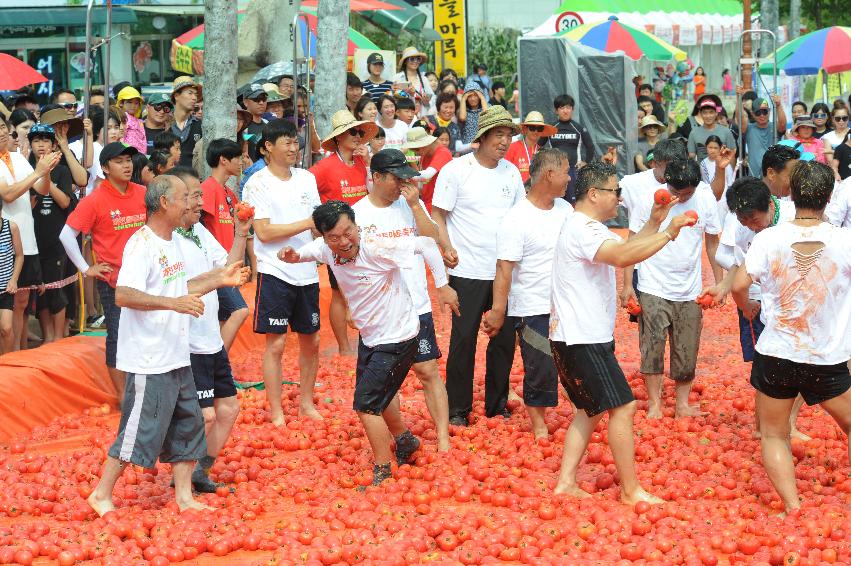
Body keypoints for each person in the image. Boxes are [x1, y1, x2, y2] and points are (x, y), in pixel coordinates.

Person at [85, 174, 248, 518]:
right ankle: (101, 493)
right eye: (183, 198)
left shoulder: (173, 241)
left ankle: (185, 496)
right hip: (149, 357)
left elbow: (181, 284)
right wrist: (174, 304)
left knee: (190, 423)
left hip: (176, 353)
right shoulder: (141, 245)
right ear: (164, 203)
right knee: (139, 428)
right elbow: (124, 294)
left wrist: (219, 279)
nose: (190, 204)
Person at [280, 200, 459, 485]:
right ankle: (404, 440)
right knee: (379, 395)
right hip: (372, 338)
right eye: (334, 237)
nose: (343, 242)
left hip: (399, 338)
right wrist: (292, 255)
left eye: (348, 232)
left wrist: (442, 285)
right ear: (324, 237)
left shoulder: (376, 247)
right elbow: (308, 252)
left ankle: (383, 469)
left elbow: (425, 244)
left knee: (366, 405)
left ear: (356, 226)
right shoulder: (326, 250)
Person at [549, 161, 692, 504]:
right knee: (623, 407)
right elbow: (622, 255)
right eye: (615, 192)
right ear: (594, 194)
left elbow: (626, 249)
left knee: (590, 409)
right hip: (582, 338)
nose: (619, 198)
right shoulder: (585, 229)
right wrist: (669, 232)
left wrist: (656, 221)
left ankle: (566, 481)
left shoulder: (588, 226)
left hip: (578, 335)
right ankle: (630, 491)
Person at [731, 161, 851, 513]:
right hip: (824, 356)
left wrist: (747, 306)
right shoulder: (844, 240)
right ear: (829, 198)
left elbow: (739, 284)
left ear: (789, 195)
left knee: (773, 434)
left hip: (777, 353)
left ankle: (792, 505)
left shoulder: (769, 238)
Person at [352, 149, 453, 451]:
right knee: (386, 377)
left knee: (428, 370)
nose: (401, 184)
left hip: (417, 304)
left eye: (404, 178)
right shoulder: (357, 214)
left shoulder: (412, 204)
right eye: (396, 178)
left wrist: (414, 205)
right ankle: (398, 437)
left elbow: (432, 237)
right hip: (381, 310)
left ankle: (444, 438)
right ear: (377, 177)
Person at [432, 106, 525, 426]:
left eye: (508, 135)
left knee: (503, 341)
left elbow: (519, 219)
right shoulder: (457, 171)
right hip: (467, 270)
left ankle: (496, 404)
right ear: (482, 137)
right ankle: (458, 409)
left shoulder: (511, 173)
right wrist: (446, 246)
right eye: (498, 134)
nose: (504, 141)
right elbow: (439, 215)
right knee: (463, 340)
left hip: (503, 271)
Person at [482, 149, 573, 438]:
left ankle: (581, 411)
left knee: (573, 361)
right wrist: (498, 310)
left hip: (566, 304)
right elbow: (504, 268)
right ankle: (539, 426)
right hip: (533, 306)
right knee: (540, 365)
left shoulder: (566, 211)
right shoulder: (517, 218)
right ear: (549, 174)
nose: (570, 178)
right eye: (566, 172)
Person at [170, 166, 249, 493]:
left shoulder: (200, 232)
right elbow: (175, 289)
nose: (200, 202)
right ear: (174, 201)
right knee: (203, 415)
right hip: (188, 342)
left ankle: (200, 470)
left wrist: (242, 232)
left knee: (228, 409)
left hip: (210, 341)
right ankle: (182, 483)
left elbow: (228, 267)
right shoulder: (168, 240)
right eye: (193, 196)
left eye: (200, 195)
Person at [628, 159, 723, 419]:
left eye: (686, 193)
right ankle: (655, 405)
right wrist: (628, 285)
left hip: (688, 289)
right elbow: (633, 242)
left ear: (696, 187)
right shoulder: (650, 199)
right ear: (665, 182)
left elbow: (712, 244)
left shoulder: (705, 200)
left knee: (687, 347)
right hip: (652, 283)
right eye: (676, 191)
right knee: (652, 346)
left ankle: (682, 405)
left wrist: (718, 282)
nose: (680, 197)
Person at [244, 119, 323, 424]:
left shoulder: (306, 178)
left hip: (306, 269)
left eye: (295, 141)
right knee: (275, 344)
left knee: (311, 341)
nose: (293, 147)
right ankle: (276, 409)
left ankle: (306, 402)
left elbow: (317, 223)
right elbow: (263, 232)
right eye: (286, 142)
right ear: (267, 148)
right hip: (275, 271)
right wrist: (307, 223)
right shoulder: (257, 183)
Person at [60, 142, 146, 397]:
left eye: (129, 160)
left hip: (146, 278)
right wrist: (86, 268)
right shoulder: (95, 198)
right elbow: (66, 235)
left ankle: (141, 391)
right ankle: (123, 397)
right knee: (118, 337)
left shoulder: (142, 192)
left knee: (143, 335)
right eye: (119, 161)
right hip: (114, 281)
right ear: (106, 168)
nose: (127, 165)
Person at [0, 113, 58, 351]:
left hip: (27, 237)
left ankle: (20, 354)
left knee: (23, 302)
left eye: (3, 127)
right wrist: (38, 171)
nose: (2, 132)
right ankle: (10, 359)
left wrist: (47, 170)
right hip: (6, 240)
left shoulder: (17, 157)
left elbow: (42, 190)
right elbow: (8, 194)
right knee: (9, 305)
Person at [27, 124, 76, 344]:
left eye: (45, 140)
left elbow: (65, 201)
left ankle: (57, 339)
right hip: (32, 238)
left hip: (56, 237)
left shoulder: (63, 170)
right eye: (36, 140)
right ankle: (47, 337)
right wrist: (37, 174)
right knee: (40, 290)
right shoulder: (25, 168)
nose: (41, 145)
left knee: (57, 289)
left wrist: (45, 178)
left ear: (53, 144)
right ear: (30, 144)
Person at [201, 138, 250, 351]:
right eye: (238, 158)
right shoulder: (208, 189)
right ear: (223, 160)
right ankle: (218, 363)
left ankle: (219, 368)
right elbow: (197, 225)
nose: (242, 162)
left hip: (228, 265)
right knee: (239, 310)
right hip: (214, 268)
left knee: (222, 319)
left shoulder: (229, 193)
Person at [540, 94, 595, 203]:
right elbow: (538, 146)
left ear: (572, 110)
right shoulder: (550, 129)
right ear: (556, 110)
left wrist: (586, 162)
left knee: (574, 204)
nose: (565, 111)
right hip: (554, 173)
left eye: (568, 107)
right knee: (554, 203)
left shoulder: (578, 128)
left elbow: (590, 147)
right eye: (562, 108)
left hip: (574, 173)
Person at [736, 88, 787, 178]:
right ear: (752, 113)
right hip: (754, 177)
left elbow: (783, 125)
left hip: (773, 176)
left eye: (764, 111)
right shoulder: (748, 128)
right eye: (758, 112)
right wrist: (738, 98)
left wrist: (778, 105)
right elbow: (741, 118)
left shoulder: (775, 127)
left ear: (769, 111)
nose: (762, 115)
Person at [403, 127, 452, 211]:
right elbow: (424, 183)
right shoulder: (425, 154)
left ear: (426, 144)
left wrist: (403, 174)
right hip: (427, 201)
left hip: (438, 205)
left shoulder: (443, 152)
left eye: (416, 148)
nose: (414, 152)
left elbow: (426, 175)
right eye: (412, 149)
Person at [504, 111, 557, 183]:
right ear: (525, 129)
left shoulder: (543, 152)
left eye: (539, 128)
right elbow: (504, 172)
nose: (536, 131)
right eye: (532, 128)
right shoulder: (512, 148)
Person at [0, 202, 22, 354]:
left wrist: (14, 279)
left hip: (5, 288)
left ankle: (7, 363)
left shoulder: (11, 227)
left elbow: (20, 255)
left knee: (6, 328)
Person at [170, 76, 203, 167]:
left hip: (194, 179)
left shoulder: (201, 126)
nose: (194, 98)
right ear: (176, 95)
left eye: (196, 94)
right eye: (190, 93)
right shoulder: (164, 124)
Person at [394, 47, 434, 118]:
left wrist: (426, 101)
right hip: (403, 118)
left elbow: (433, 98)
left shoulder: (424, 79)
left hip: (421, 117)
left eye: (418, 59)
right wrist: (406, 94)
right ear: (405, 61)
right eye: (412, 59)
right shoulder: (397, 78)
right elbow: (392, 97)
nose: (415, 61)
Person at [239, 83, 269, 159]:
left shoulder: (268, 123)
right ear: (246, 102)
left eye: (264, 99)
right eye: (256, 99)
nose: (261, 103)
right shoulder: (241, 126)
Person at [116, 86, 147, 155]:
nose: (133, 106)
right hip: (128, 155)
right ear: (121, 103)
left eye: (136, 103)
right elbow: (120, 139)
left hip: (141, 156)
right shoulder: (122, 118)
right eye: (129, 102)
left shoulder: (139, 121)